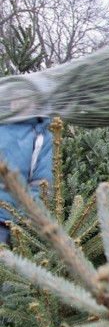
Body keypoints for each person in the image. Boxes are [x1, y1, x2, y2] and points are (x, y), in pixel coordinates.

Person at [0, 92, 53, 246]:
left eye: (25, 98)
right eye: (16, 97)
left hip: (4, 219)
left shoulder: (40, 136)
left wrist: (21, 217)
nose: (19, 102)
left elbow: (42, 184)